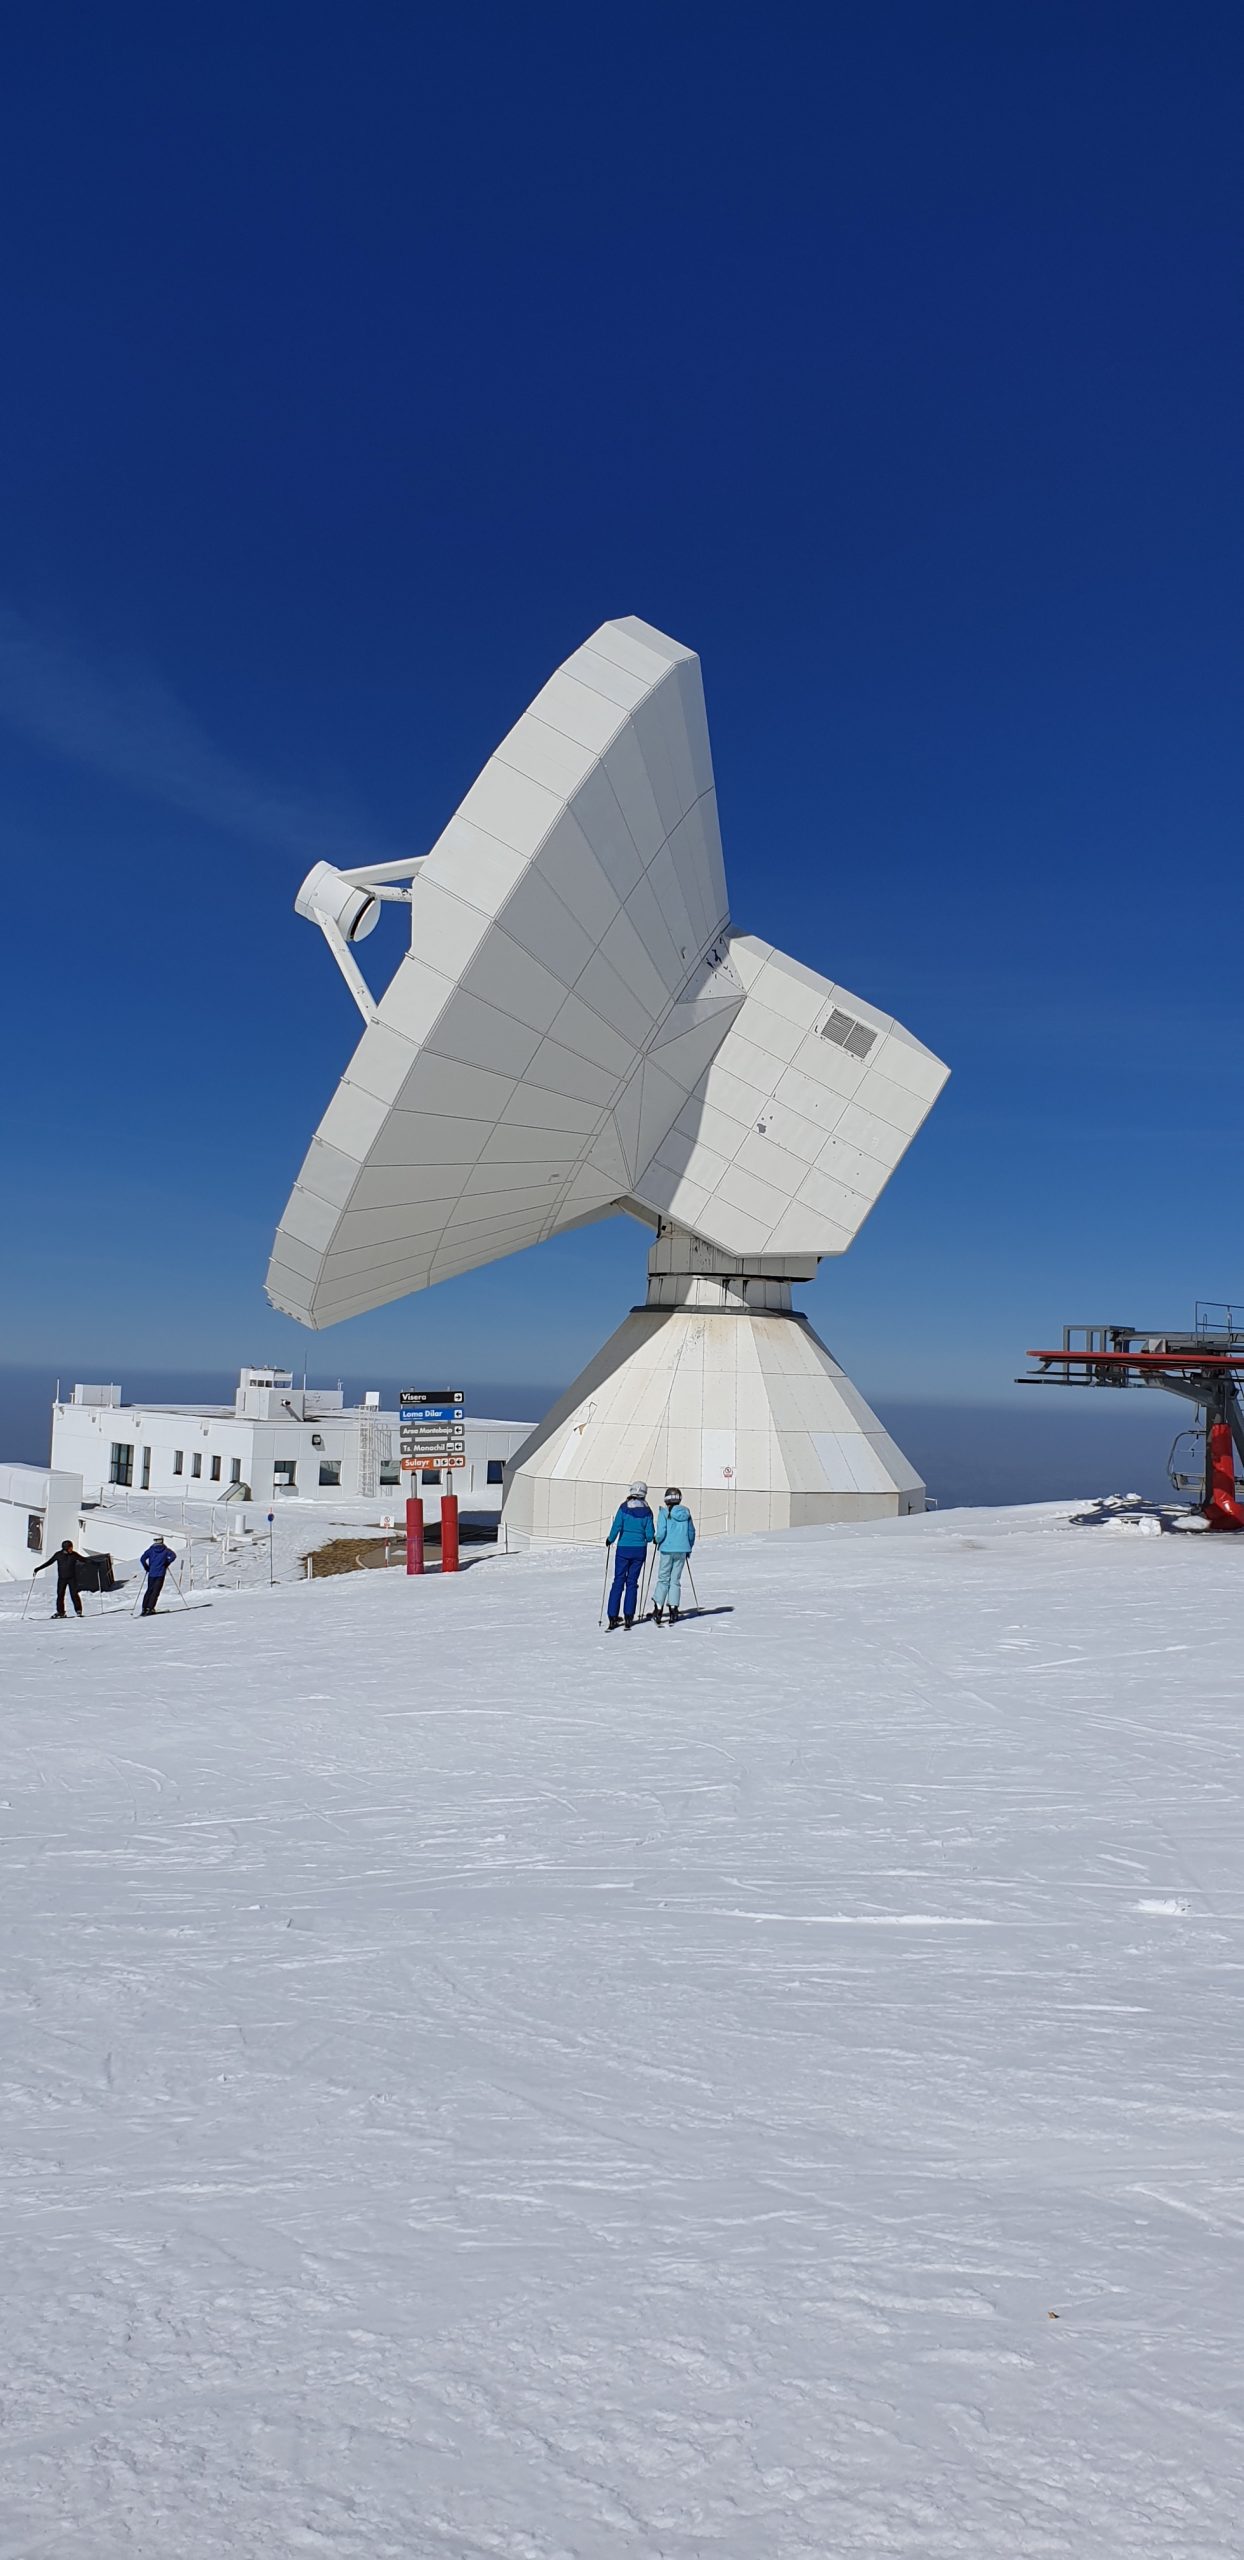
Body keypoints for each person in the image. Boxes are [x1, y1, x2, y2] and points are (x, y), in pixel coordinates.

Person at [604, 1482, 654, 1628]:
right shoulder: (647, 1511)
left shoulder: (624, 1507)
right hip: (639, 1550)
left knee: (618, 1581)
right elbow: (650, 1535)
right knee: (632, 1582)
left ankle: (612, 1616)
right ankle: (629, 1616)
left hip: (623, 1549)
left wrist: (610, 1539)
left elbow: (617, 1526)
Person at [652, 1488, 696, 1623]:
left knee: (663, 1578)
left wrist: (656, 1540)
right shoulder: (686, 1513)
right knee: (675, 1579)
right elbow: (691, 1532)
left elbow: (661, 1532)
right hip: (682, 1550)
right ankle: (673, 1608)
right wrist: (688, 1547)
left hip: (667, 1549)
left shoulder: (664, 1513)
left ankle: (658, 1608)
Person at [34, 1538, 83, 1618]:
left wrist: (97, 1563)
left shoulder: (74, 1555)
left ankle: (78, 1611)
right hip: (62, 1579)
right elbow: (49, 1562)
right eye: (70, 1548)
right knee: (60, 1595)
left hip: (72, 1578)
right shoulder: (58, 1555)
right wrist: (38, 1569)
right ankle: (61, 1612)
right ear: (66, 1548)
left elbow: (84, 1560)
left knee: (74, 1594)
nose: (72, 1549)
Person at [139, 1534, 179, 1616]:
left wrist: (147, 1567)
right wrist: (167, 1563)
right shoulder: (165, 1550)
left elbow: (142, 1559)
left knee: (149, 1590)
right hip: (160, 1573)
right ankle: (150, 1608)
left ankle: (144, 1608)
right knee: (156, 1591)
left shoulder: (150, 1550)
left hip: (152, 1573)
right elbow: (173, 1556)